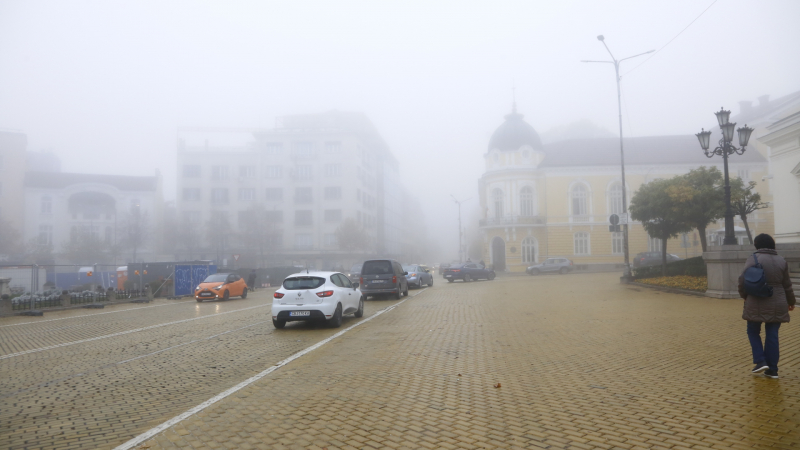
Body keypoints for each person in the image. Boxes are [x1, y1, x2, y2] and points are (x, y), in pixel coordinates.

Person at [738, 233, 796, 379]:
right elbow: (787, 285)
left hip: (756, 299)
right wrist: (791, 301)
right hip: (778, 301)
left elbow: (742, 280)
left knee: (753, 331)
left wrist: (744, 296)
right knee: (772, 334)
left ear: (757, 245)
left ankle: (760, 360)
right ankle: (773, 369)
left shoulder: (754, 258)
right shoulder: (781, 260)